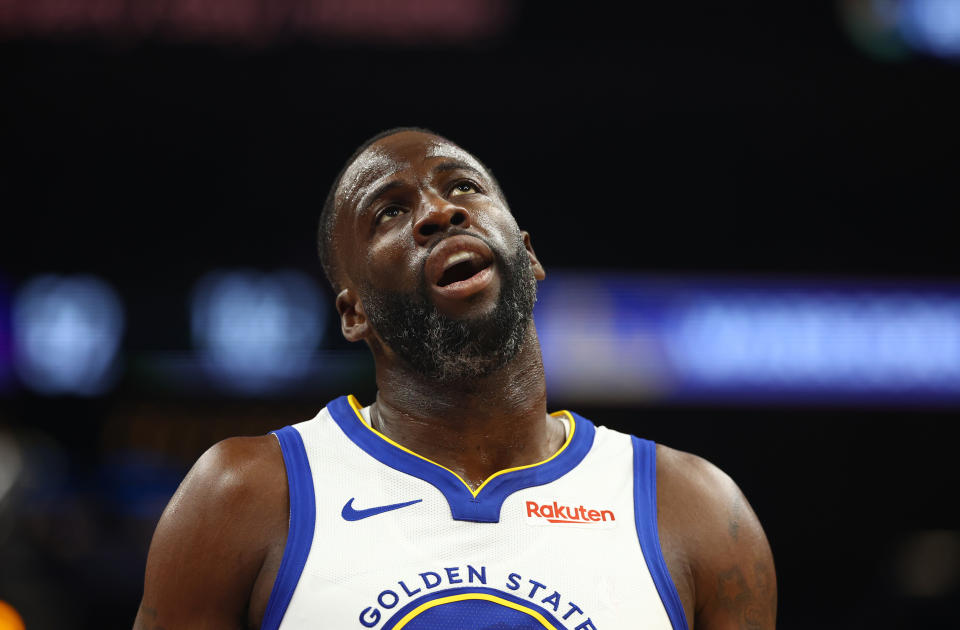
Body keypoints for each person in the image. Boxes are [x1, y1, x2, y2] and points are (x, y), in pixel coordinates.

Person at [133, 128, 776, 630]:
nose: (439, 213)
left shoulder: (693, 508)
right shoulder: (242, 497)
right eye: (387, 212)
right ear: (355, 312)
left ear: (527, 253)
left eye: (463, 187)